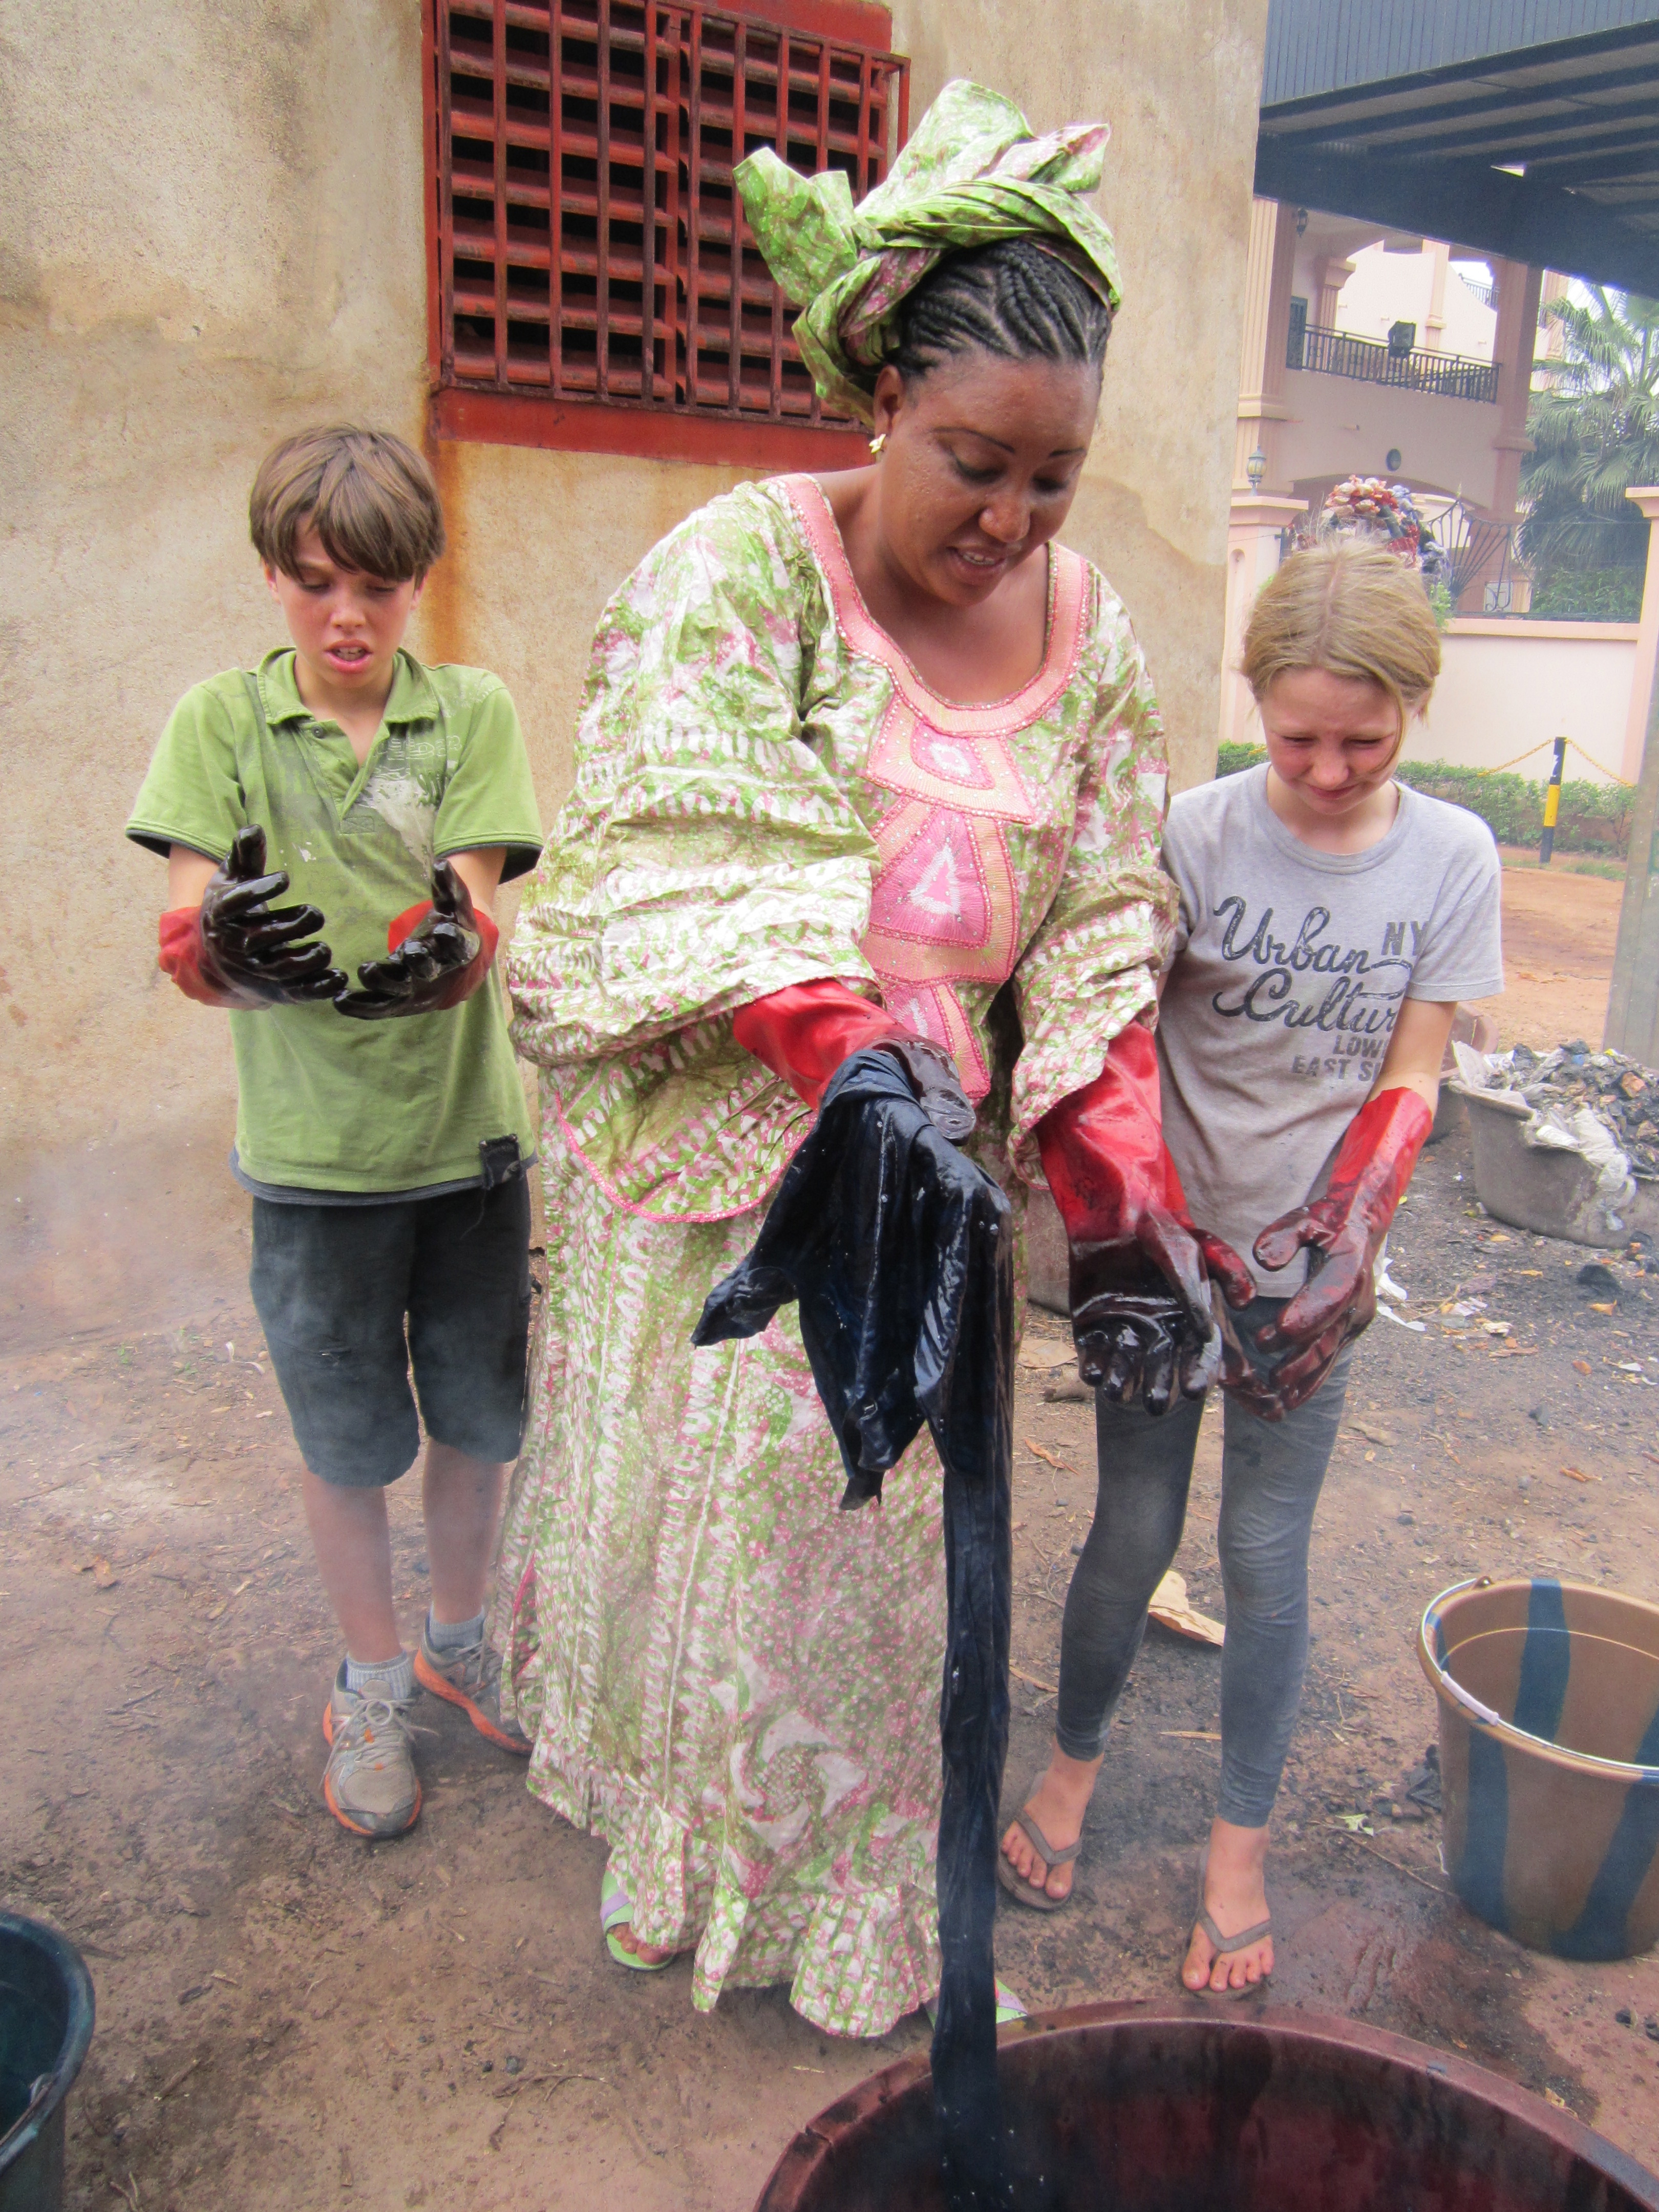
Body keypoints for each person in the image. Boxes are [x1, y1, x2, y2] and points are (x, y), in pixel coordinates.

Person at [493, 80, 1244, 2038]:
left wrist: (1117, 1184)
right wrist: (853, 1059)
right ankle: (688, 1866)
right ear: (884, 395)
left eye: (1055, 480)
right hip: (745, 1182)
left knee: (880, 1566)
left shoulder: (1093, 637)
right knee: (739, 1547)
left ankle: (846, 1910)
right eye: (977, 463)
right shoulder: (740, 575)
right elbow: (679, 862)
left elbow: (1099, 909)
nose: (1012, 522)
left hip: (932, 1190)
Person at [998, 540, 1504, 1993]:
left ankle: (1239, 1849)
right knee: (1132, 1526)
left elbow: (1415, 1064)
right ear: (1256, 704)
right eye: (1298, 741)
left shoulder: (1453, 859)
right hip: (1166, 1249)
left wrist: (1354, 1233)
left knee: (1267, 1555)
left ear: (1414, 710)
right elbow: (1118, 1041)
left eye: (1365, 743)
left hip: (1311, 1270)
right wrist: (1136, 1230)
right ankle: (1073, 1770)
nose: (1329, 771)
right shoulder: (1192, 835)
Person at [125, 425, 545, 1839]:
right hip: (314, 1165)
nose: (347, 617)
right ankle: (368, 1681)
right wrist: (219, 950)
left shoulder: (470, 712)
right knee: (349, 1441)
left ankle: (458, 1641)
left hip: (469, 1150)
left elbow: (471, 901)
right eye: (316, 584)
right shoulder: (222, 725)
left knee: (479, 1423)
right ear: (272, 576)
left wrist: (453, 948)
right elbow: (187, 926)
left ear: (421, 579)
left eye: (377, 585)